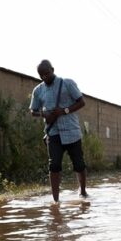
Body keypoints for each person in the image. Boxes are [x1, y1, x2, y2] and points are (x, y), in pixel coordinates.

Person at [29, 60, 88, 203]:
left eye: (47, 73)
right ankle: (56, 201)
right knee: (54, 165)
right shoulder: (38, 90)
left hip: (72, 131)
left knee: (79, 164)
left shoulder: (67, 83)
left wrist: (64, 111)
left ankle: (83, 191)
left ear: (53, 70)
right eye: (41, 75)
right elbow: (32, 111)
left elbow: (81, 102)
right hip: (53, 133)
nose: (44, 77)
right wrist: (44, 115)